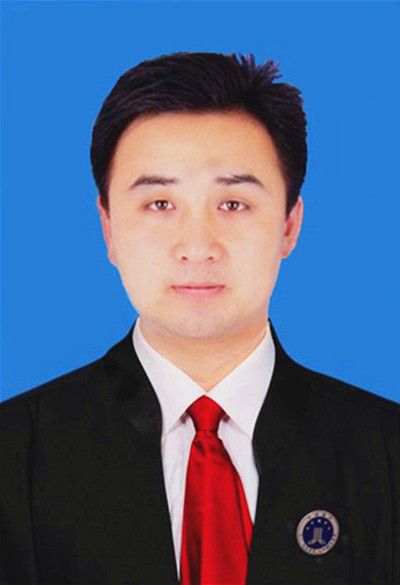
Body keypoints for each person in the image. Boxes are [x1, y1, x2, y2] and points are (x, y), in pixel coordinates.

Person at [0, 52, 399, 585]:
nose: (197, 246)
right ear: (109, 228)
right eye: (160, 204)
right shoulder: (14, 455)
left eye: (232, 204)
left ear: (289, 224)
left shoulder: (385, 453)